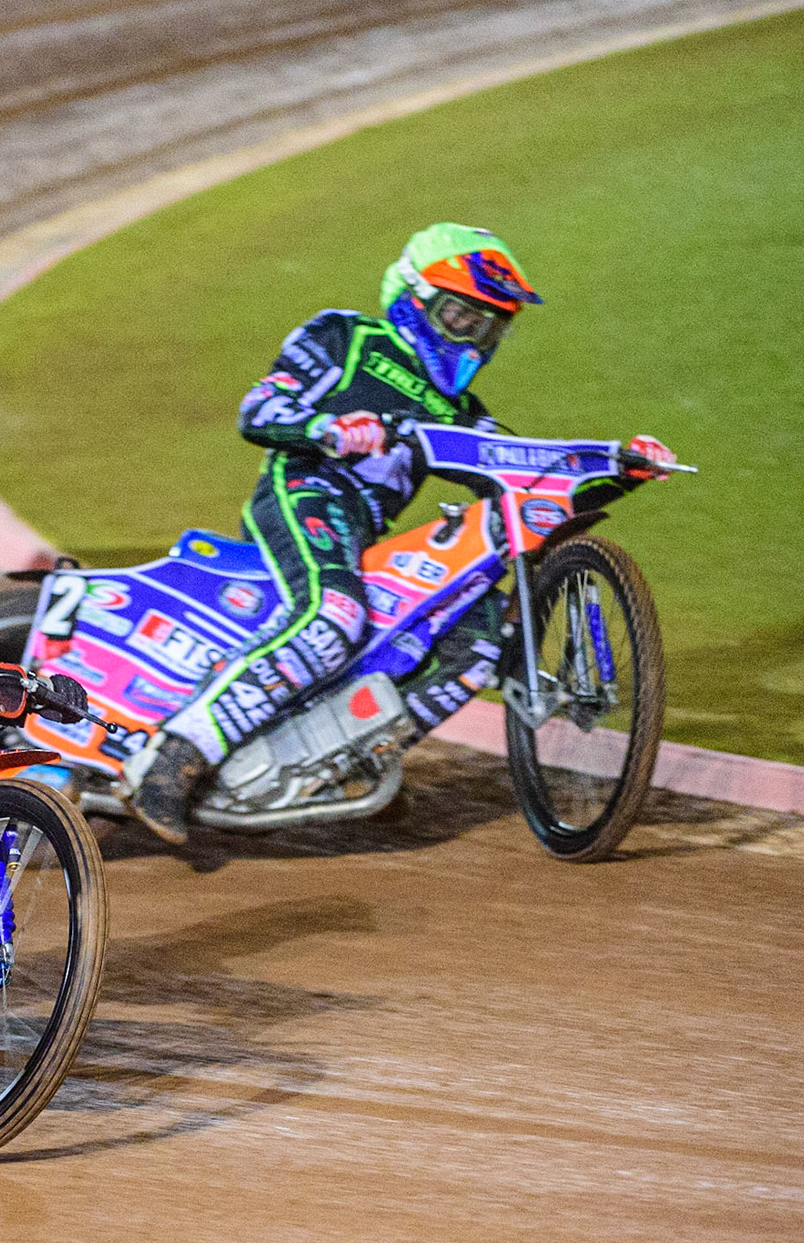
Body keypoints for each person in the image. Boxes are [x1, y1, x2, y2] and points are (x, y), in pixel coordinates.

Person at [124, 222, 678, 844]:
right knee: (334, 614)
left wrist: (621, 470)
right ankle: (173, 761)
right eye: (461, 316)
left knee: (481, 641)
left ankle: (346, 760)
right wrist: (332, 431)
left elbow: (531, 483)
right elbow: (258, 411)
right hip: (305, 492)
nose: (475, 338)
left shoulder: (463, 415)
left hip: (367, 536)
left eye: (491, 325)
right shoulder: (344, 335)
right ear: (413, 298)